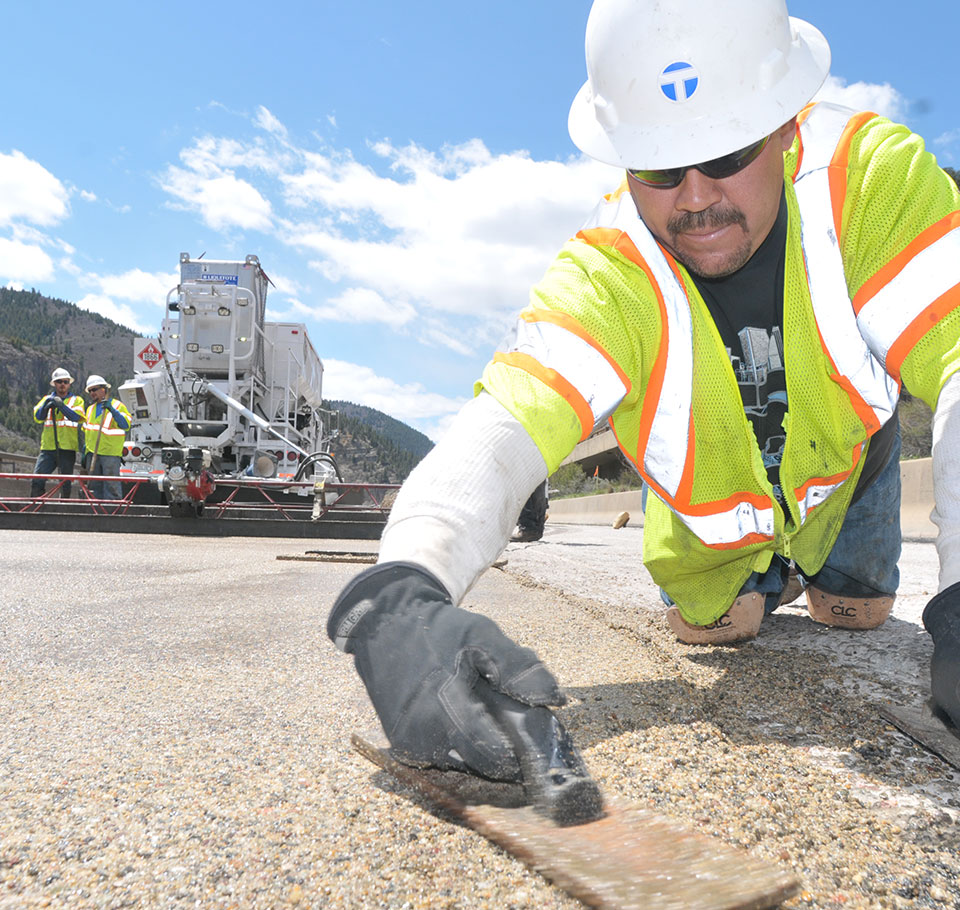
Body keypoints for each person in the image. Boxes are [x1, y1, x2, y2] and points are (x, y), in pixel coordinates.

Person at [328, 0, 960, 783]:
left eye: (726, 152)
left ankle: (814, 567)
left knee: (856, 620)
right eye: (660, 166)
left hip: (844, 475)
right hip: (715, 524)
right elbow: (506, 423)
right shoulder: (609, 268)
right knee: (713, 630)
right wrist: (402, 594)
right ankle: (757, 570)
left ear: (787, 127)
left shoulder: (870, 183)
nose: (693, 199)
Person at [31, 368, 86, 499]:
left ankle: (64, 506)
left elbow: (76, 417)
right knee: (37, 479)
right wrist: (46, 405)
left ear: (69, 384)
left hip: (67, 448)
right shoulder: (45, 399)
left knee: (65, 482)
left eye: (65, 382)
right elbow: (38, 417)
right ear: (54, 384)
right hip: (48, 448)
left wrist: (61, 406)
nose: (62, 384)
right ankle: (37, 505)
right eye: (59, 381)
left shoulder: (77, 400)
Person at [82, 375, 131, 501]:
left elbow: (125, 425)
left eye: (95, 389)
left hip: (110, 454)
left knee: (111, 486)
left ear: (103, 389)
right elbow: (88, 431)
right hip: (92, 454)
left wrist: (112, 410)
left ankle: (113, 512)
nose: (92, 393)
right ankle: (96, 512)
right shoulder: (90, 409)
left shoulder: (117, 405)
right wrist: (85, 450)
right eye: (90, 391)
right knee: (94, 486)